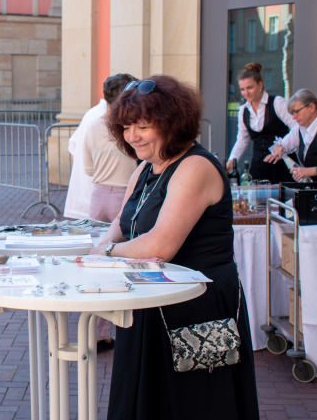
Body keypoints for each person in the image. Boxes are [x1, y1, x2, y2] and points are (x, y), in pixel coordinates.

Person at [90, 75, 259, 419]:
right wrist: (106, 246)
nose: (131, 136)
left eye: (142, 126)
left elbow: (161, 245)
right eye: (126, 127)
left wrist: (105, 255)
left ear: (171, 124)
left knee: (193, 403)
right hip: (149, 301)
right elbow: (121, 226)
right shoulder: (145, 169)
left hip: (195, 308)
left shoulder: (195, 166)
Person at [83, 73, 139, 222]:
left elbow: (88, 169)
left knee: (99, 242)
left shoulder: (92, 126)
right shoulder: (131, 129)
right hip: (125, 193)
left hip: (98, 195)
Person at [227, 62, 295, 183]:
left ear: (260, 85)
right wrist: (232, 160)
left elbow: (297, 128)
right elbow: (242, 140)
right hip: (258, 166)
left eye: (250, 87)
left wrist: (283, 146)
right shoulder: (243, 110)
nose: (246, 93)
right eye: (242, 89)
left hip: (282, 165)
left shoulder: (277, 102)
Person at [265, 89, 317, 182]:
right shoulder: (299, 129)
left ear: (311, 107)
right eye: (292, 113)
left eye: (297, 112)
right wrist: (278, 148)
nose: (293, 117)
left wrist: (311, 171)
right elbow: (283, 145)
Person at [64, 97, 107, 219]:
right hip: (98, 191)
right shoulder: (99, 116)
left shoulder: (93, 113)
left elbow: (73, 143)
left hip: (91, 191)